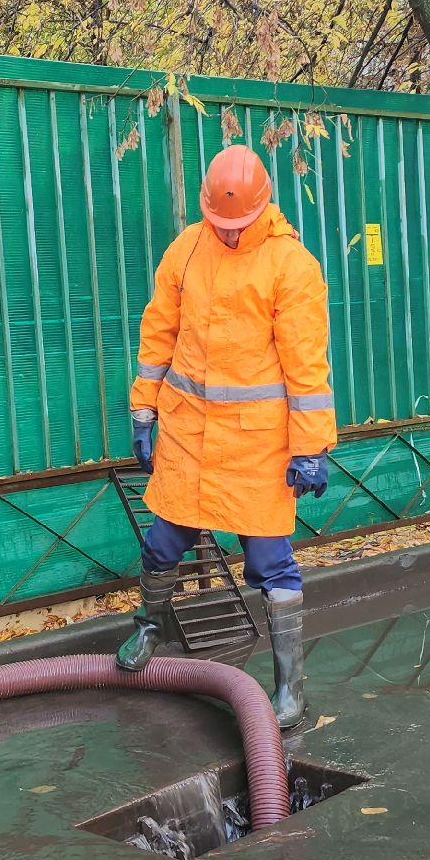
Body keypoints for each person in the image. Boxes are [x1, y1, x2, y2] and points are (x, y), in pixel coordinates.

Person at [115, 143, 336, 730]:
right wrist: (143, 411)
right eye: (220, 224)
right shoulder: (186, 250)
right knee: (162, 545)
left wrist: (310, 448)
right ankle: (147, 630)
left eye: (238, 225)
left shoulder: (292, 266)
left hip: (256, 448)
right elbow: (158, 332)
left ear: (262, 208)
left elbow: (307, 370)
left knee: (271, 563)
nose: (230, 234)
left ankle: (290, 687)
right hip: (189, 437)